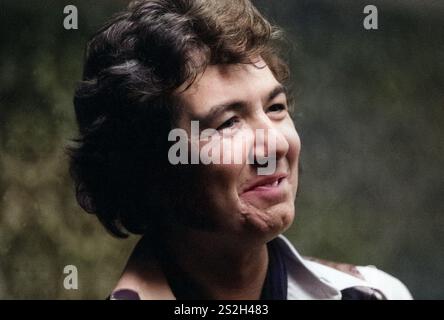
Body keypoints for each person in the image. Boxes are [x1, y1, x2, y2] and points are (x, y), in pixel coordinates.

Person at [69, 0, 412, 300]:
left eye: (276, 107)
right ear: (148, 169)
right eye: (228, 123)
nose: (275, 145)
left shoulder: (374, 295)